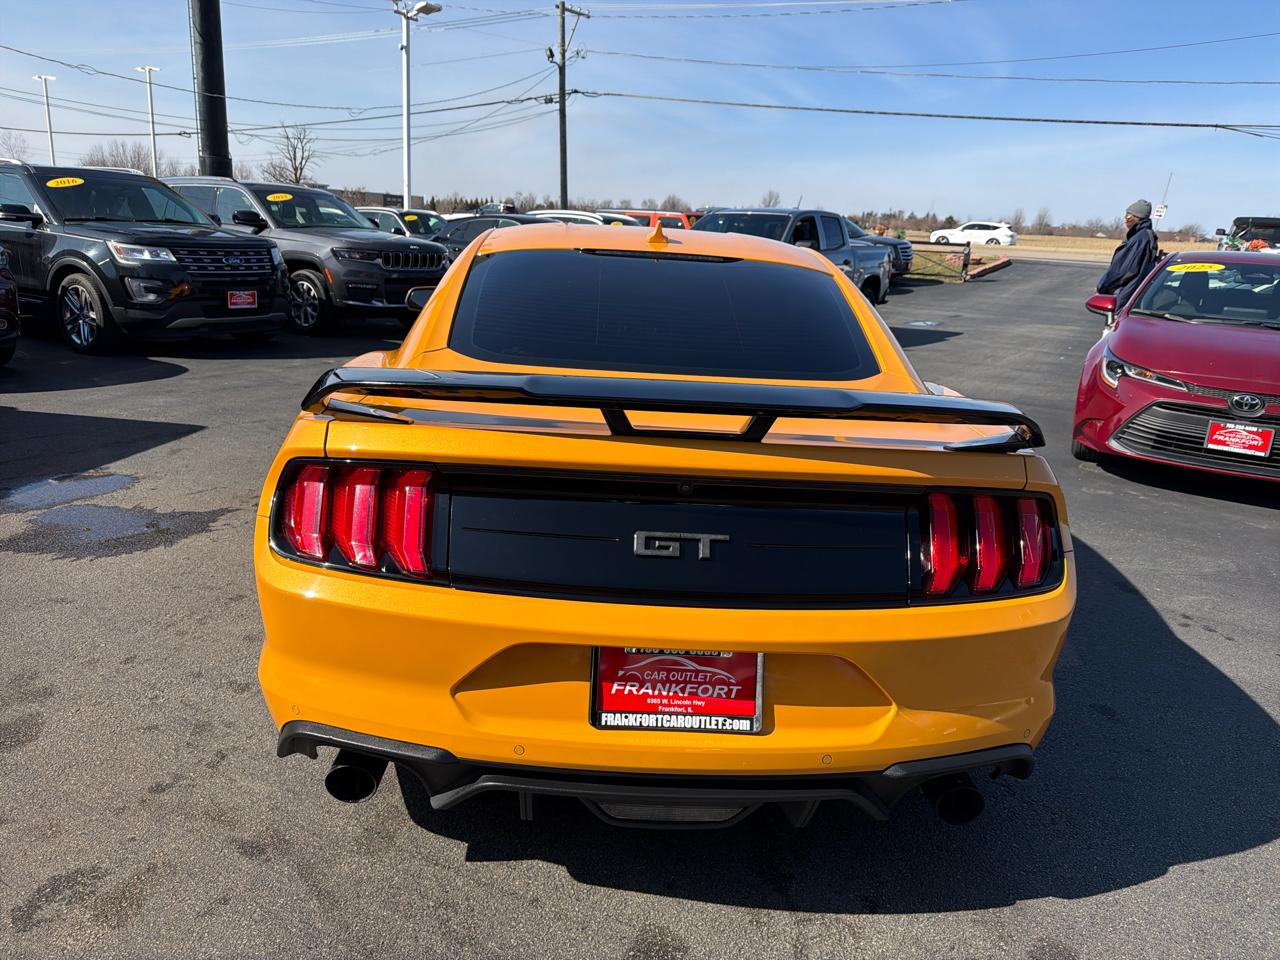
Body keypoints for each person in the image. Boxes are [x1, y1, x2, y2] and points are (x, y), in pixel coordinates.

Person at [1097, 200, 1160, 307]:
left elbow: (1124, 270)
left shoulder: (1138, 239)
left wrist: (1103, 287)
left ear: (1137, 217)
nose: (1126, 218)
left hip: (1128, 295)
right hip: (1136, 293)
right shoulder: (1145, 236)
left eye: (1128, 215)